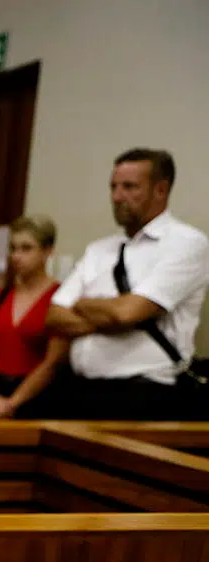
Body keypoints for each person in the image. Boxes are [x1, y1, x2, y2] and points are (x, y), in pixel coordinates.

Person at [46, 148, 209, 421]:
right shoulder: (100, 250)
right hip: (81, 392)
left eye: (129, 187)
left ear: (161, 190)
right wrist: (111, 316)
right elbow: (53, 317)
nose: (116, 196)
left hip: (145, 396)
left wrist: (83, 304)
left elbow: (127, 313)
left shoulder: (185, 243)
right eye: (113, 187)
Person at [0, 215, 67, 419]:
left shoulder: (60, 297)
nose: (16, 256)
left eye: (26, 248)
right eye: (13, 248)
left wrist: (13, 402)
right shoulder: (0, 296)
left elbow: (53, 361)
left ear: (47, 252)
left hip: (35, 399)